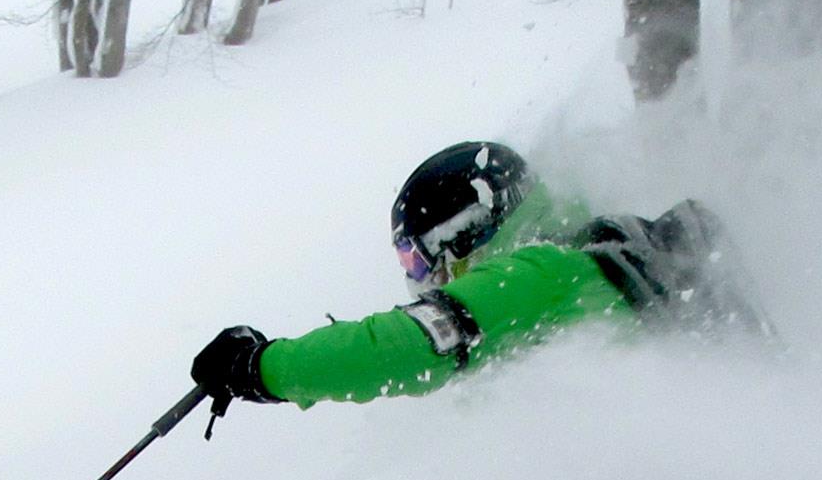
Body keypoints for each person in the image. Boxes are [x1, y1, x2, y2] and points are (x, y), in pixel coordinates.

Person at [190, 141, 769, 418]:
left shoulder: (540, 273)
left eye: (418, 259)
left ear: (467, 228)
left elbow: (406, 347)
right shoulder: (586, 266)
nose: (421, 279)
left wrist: (261, 368)